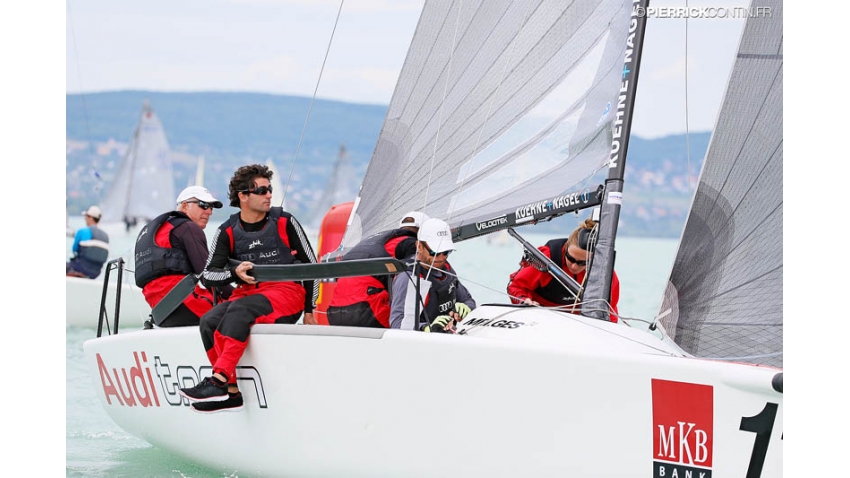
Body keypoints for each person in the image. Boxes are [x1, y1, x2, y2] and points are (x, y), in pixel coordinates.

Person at [179, 164, 318, 413]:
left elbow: (313, 265)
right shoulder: (226, 231)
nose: (268, 195)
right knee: (209, 320)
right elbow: (208, 275)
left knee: (239, 309)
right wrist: (234, 273)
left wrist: (310, 309)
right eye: (262, 190)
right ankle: (232, 393)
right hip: (249, 295)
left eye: (270, 189)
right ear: (243, 196)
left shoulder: (285, 221)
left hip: (286, 294)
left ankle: (218, 379)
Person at [134, 186, 233, 327]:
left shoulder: (155, 230)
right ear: (185, 206)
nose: (209, 212)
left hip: (160, 312)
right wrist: (238, 294)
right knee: (246, 309)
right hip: (184, 303)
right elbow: (208, 276)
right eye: (203, 205)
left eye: (211, 207)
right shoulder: (188, 227)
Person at [326, 211, 427, 328]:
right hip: (369, 311)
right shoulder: (411, 243)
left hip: (333, 311)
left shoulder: (371, 240)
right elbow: (416, 278)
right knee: (402, 322)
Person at [506, 218, 620, 322]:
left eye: (582, 262)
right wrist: (523, 300)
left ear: (593, 260)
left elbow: (610, 309)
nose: (574, 266)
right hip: (539, 316)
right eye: (570, 258)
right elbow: (515, 286)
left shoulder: (602, 272)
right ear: (566, 247)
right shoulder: (546, 258)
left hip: (576, 322)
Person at [389, 217, 476, 332]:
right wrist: (426, 328)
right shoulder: (409, 277)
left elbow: (468, 300)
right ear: (419, 246)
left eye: (446, 252)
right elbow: (397, 323)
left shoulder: (446, 268)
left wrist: (466, 307)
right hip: (423, 344)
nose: (441, 258)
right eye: (434, 252)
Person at [66, 205, 110, 279]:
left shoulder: (82, 231)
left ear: (90, 217)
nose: (85, 218)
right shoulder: (106, 236)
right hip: (96, 273)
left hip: (80, 268)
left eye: (86, 216)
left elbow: (75, 249)